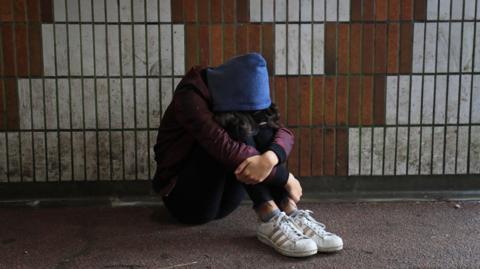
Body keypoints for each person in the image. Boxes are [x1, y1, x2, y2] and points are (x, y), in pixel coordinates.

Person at [152, 53, 343, 257]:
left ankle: (288, 210)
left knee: (263, 127)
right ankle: (268, 215)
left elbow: (282, 132)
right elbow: (224, 148)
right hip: (188, 202)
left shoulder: (237, 84)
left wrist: (270, 158)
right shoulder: (189, 97)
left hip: (226, 198)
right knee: (235, 127)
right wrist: (285, 177)